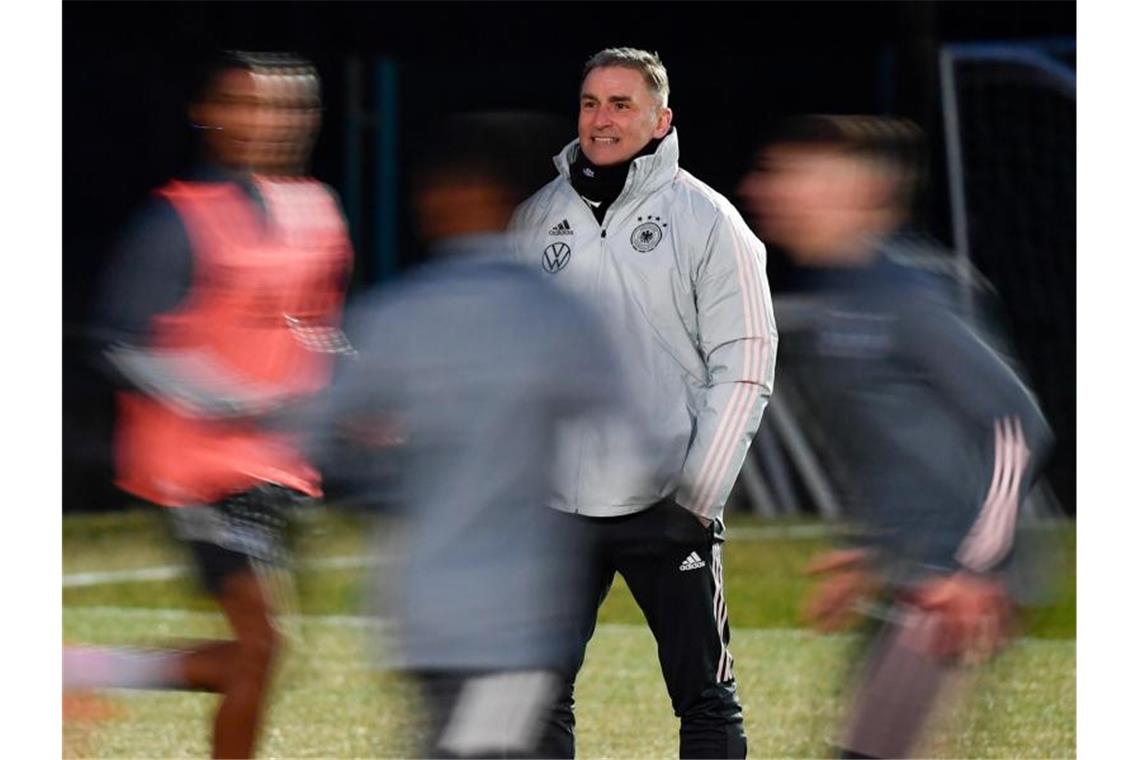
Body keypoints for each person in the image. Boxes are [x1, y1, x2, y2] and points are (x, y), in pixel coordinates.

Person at [736, 114, 1054, 758]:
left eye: (798, 176)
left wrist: (974, 569)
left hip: (950, 583)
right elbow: (906, 442)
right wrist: (871, 551)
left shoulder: (907, 292)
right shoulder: (846, 295)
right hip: (914, 571)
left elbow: (1015, 423)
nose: (769, 190)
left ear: (861, 191)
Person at [65, 52, 353, 759]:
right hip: (192, 466)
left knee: (255, 657)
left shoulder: (318, 212)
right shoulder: (176, 220)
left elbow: (311, 326)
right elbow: (118, 344)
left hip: (276, 466)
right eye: (248, 104)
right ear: (210, 115)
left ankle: (76, 669)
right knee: (264, 639)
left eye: (286, 107)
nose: (267, 122)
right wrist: (231, 398)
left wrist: (361, 392)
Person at [310, 112, 622, 759]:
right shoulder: (556, 314)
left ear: (429, 207)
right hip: (518, 607)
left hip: (422, 605)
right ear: (515, 204)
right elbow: (639, 434)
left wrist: (386, 488)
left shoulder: (392, 313)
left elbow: (320, 439)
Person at [511, 48, 778, 758]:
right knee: (536, 697)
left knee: (705, 700)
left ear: (662, 120)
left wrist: (697, 496)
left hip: (668, 502)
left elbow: (746, 361)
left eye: (621, 104)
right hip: (559, 506)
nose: (602, 119)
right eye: (591, 102)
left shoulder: (708, 220)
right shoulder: (536, 219)